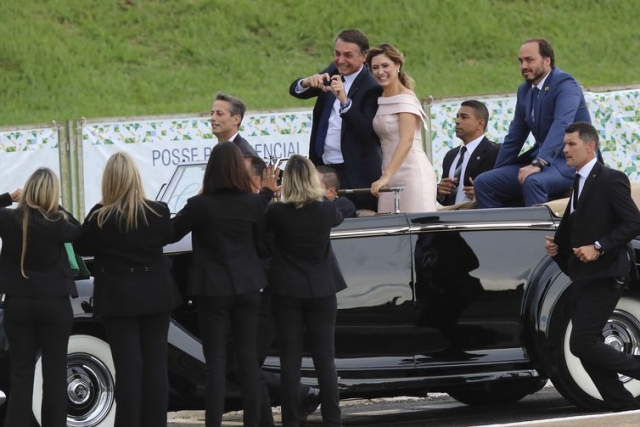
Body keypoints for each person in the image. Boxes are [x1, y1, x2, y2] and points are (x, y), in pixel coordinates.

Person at [75, 152, 181, 427]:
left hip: (118, 300)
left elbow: (80, 245)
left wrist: (98, 206)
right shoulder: (158, 211)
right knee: (156, 366)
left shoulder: (100, 218)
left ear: (108, 182)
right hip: (156, 297)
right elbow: (168, 236)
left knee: (128, 369)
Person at [171, 141, 268, 427]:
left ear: (210, 171)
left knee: (215, 363)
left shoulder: (199, 205)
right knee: (249, 361)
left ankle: (213, 422)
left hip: (212, 290)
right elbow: (263, 247)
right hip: (249, 286)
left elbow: (171, 234)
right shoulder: (253, 203)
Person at [545, 122, 640, 412]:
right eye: (564, 144)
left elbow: (633, 222)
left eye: (571, 144)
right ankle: (622, 406)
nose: (565, 150)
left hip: (607, 273)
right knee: (586, 349)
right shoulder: (578, 182)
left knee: (582, 343)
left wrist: (598, 246)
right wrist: (557, 247)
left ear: (590, 147)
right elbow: (575, 224)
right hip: (586, 276)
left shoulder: (611, 179)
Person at [265, 155, 346, 427]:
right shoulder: (325, 209)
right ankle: (333, 419)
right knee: (325, 358)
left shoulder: (277, 212)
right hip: (322, 288)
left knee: (291, 360)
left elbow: (263, 235)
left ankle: (291, 419)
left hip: (286, 289)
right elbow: (340, 213)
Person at [0, 168, 81, 427]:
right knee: (55, 375)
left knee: (21, 374)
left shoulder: (8, 219)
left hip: (17, 303)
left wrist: (7, 198)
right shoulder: (57, 223)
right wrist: (57, 207)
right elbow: (80, 232)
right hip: (54, 304)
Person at [474, 38, 592, 208]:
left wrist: (539, 162)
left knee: (533, 181)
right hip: (543, 164)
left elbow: (562, 124)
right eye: (521, 61)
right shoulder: (524, 90)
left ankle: (536, 235)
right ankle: (503, 234)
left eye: (529, 60)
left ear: (546, 61)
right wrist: (497, 171)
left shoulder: (565, 83)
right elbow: (515, 136)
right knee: (484, 182)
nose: (523, 66)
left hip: (570, 163)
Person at [289, 29, 382, 212]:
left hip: (353, 172)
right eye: (337, 54)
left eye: (348, 55)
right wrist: (307, 82)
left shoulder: (372, 86)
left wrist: (345, 101)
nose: (340, 60)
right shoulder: (333, 71)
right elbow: (295, 91)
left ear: (364, 57)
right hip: (323, 168)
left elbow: (366, 131)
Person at [365, 43, 437, 213]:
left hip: (412, 175)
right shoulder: (379, 98)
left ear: (397, 65)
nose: (380, 72)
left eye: (385, 66)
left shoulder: (406, 98)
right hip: (388, 176)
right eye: (375, 68)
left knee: (419, 234)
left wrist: (385, 177)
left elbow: (407, 140)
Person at [437, 100, 500, 206]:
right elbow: (444, 199)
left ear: (480, 124)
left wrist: (483, 194)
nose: (457, 121)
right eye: (457, 116)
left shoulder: (495, 152)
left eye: (464, 117)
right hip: (450, 219)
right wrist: (440, 191)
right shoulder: (450, 156)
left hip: (479, 219)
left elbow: (508, 190)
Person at [210, 91, 259, 157]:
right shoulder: (219, 151)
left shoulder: (245, 155)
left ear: (236, 120)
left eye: (219, 114)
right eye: (212, 113)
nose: (213, 118)